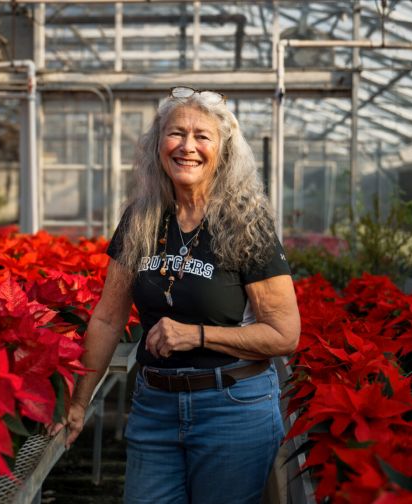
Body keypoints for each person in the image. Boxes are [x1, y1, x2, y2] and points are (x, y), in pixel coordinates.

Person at [49, 86, 300, 504]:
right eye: (176, 133)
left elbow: (284, 334)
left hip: (232, 408)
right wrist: (79, 402)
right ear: (157, 145)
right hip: (155, 405)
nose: (187, 146)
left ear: (223, 151)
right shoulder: (142, 219)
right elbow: (108, 318)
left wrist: (196, 335)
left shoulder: (246, 224)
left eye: (202, 136)